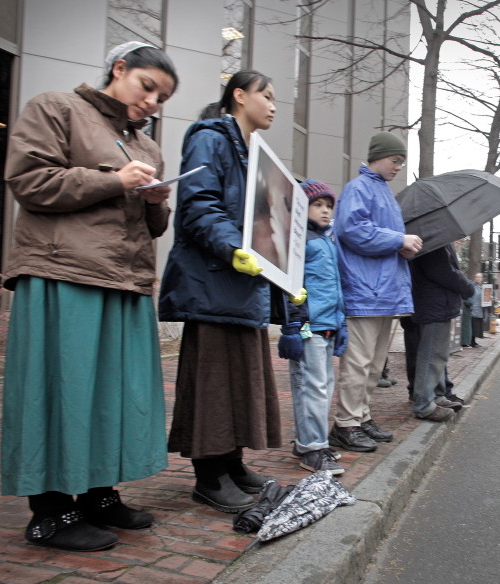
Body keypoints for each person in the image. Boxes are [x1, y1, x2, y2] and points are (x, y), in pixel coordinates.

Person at [1, 42, 178, 552]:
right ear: (119, 69)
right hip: (64, 272)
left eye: (162, 97)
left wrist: (154, 200)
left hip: (123, 280)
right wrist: (114, 180)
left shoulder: (146, 147)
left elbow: (153, 227)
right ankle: (51, 513)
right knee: (61, 390)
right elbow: (28, 180)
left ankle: (100, 495)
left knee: (112, 397)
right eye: (147, 86)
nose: (152, 102)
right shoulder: (56, 108)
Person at [159, 70, 290, 513]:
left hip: (241, 284)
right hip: (215, 281)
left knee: (240, 376)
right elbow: (197, 205)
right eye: (266, 96)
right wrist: (234, 247)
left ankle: (231, 463)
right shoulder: (209, 137)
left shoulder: (255, 154)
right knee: (214, 380)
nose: (273, 105)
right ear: (238, 96)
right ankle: (208, 476)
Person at [329, 131, 422, 452]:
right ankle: (346, 423)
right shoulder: (358, 189)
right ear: (379, 157)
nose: (398, 167)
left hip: (382, 292)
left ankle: (361, 416)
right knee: (359, 363)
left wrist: (402, 246)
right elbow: (352, 230)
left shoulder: (380, 191)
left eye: (401, 162)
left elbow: (368, 234)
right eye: (396, 160)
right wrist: (399, 241)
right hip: (365, 291)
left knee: (372, 364)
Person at [279, 180, 346, 475]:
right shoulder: (300, 241)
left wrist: (340, 323)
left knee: (324, 386)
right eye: (318, 205)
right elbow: (291, 285)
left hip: (328, 326)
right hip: (309, 326)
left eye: (329, 206)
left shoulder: (327, 241)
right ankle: (312, 449)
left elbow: (336, 288)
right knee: (312, 387)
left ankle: (310, 441)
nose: (325, 211)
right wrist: (293, 325)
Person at [408, 244, 476, 421]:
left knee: (436, 355)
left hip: (434, 304)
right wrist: (467, 286)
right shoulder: (433, 241)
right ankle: (424, 404)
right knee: (432, 356)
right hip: (435, 305)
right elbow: (442, 271)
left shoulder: (435, 238)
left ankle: (436, 396)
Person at [468, 273, 485, 347]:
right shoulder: (472, 286)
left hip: (479, 310)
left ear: (482, 279)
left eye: (480, 277)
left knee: (476, 327)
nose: (478, 278)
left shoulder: (481, 288)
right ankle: (472, 342)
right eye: (477, 277)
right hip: (473, 309)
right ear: (475, 278)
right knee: (473, 326)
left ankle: (474, 342)